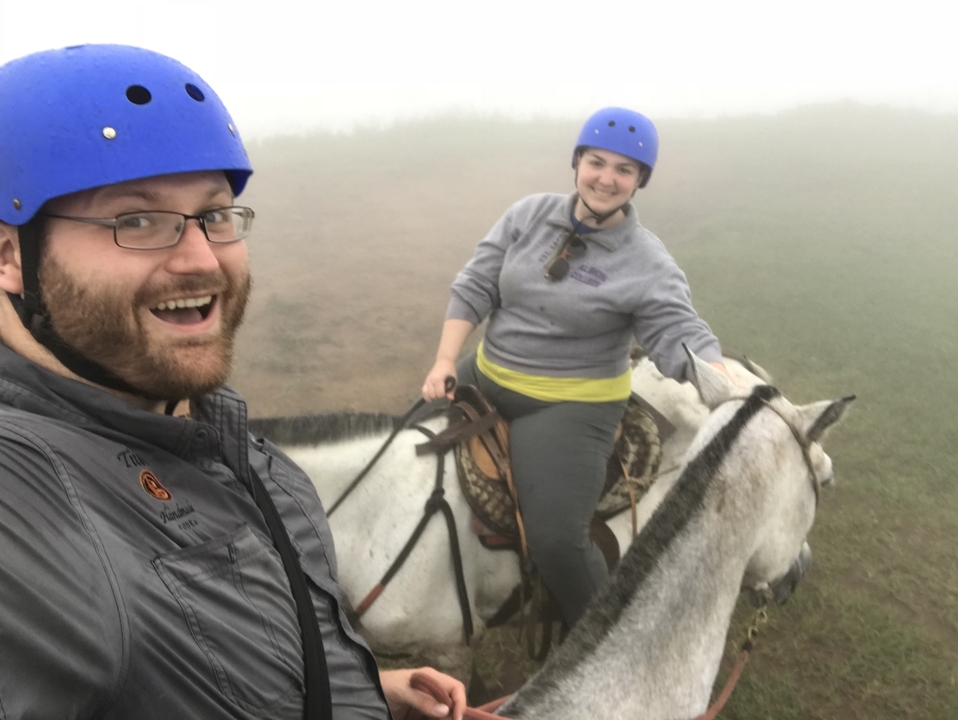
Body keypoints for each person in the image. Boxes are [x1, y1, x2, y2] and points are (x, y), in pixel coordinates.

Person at [0, 44, 464, 720]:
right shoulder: (21, 498)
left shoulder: (237, 451)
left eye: (215, 215)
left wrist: (356, 695)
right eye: (136, 220)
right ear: (10, 256)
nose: (200, 259)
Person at [421, 107, 733, 628]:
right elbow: (476, 282)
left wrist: (721, 376)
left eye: (624, 170)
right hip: (486, 373)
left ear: (639, 182)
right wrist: (445, 360)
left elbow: (678, 330)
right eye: (597, 161)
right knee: (402, 442)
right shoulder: (528, 214)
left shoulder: (646, 260)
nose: (607, 178)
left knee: (556, 540)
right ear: (577, 163)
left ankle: (606, 642)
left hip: (570, 406)